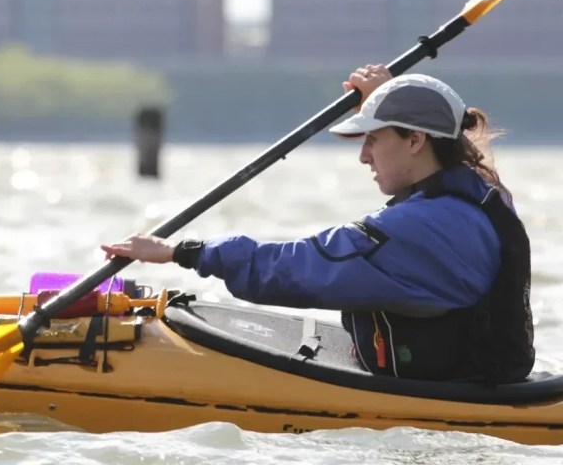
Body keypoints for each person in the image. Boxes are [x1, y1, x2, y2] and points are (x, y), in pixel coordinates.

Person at [101, 64, 535, 384]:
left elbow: (299, 266)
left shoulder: (419, 230)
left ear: (416, 140)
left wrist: (182, 252)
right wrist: (390, 101)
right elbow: (447, 156)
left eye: (373, 138)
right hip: (478, 372)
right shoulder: (482, 193)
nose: (364, 156)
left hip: (455, 395)